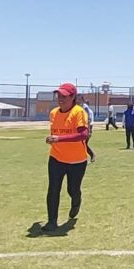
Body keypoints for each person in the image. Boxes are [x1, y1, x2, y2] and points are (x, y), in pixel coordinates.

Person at [44, 83, 90, 231]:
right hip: (56, 158)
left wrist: (59, 139)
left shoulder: (79, 112)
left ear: (72, 97)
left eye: (64, 96)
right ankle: (52, 222)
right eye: (59, 96)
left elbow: (83, 134)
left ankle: (76, 201)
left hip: (77, 161)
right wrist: (52, 139)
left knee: (73, 189)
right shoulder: (53, 113)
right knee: (53, 189)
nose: (60, 99)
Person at [79, 96, 96, 163]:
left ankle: (91, 155)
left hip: (87, 128)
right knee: (83, 144)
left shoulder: (85, 108)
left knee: (83, 144)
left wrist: (89, 130)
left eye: (79, 99)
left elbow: (88, 120)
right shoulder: (80, 107)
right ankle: (90, 156)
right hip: (82, 128)